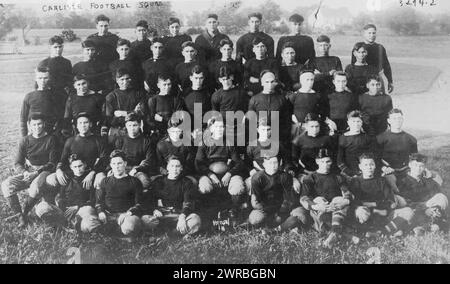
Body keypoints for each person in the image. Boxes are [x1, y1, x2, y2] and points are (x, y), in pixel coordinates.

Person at [1, 114, 59, 228]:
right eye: (34, 125)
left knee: (36, 186)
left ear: (44, 124)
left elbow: (52, 163)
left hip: (44, 171)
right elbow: (17, 162)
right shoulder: (25, 140)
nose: (37, 127)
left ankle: (25, 213)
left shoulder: (51, 139)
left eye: (39, 124)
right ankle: (20, 216)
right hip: (29, 171)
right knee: (7, 185)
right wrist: (24, 172)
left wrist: (36, 173)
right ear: (29, 126)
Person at [195, 116, 247, 221]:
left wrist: (229, 174)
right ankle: (209, 214)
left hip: (228, 173)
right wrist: (211, 175)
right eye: (217, 127)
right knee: (204, 187)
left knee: (238, 186)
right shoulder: (204, 143)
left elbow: (238, 163)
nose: (220, 129)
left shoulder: (229, 142)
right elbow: (198, 164)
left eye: (222, 127)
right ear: (211, 128)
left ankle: (234, 211)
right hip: (209, 174)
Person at [46, 113, 108, 196]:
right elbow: (63, 160)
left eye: (85, 123)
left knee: (100, 179)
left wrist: (92, 173)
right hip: (74, 172)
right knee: (51, 178)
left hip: (92, 172)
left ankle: (96, 204)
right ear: (77, 126)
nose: (83, 125)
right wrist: (58, 170)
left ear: (90, 124)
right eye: (80, 123)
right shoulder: (70, 141)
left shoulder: (98, 140)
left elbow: (104, 160)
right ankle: (58, 202)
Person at [300, 149, 352, 248]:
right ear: (317, 161)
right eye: (322, 161)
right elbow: (304, 198)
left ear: (332, 162)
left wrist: (344, 202)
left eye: (328, 161)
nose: (325, 164)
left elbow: (347, 193)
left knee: (339, 199)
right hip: (320, 209)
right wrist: (317, 206)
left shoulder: (338, 177)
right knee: (319, 199)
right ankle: (333, 232)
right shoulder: (310, 178)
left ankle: (333, 233)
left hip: (336, 210)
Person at [96, 150, 150, 237]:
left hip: (127, 216)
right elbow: (99, 202)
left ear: (125, 163)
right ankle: (114, 232)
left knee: (130, 226)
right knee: (90, 224)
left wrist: (127, 214)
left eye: (119, 163)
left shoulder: (134, 181)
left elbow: (139, 204)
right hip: (109, 215)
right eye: (114, 164)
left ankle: (124, 233)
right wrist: (101, 212)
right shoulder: (105, 181)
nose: (116, 167)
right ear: (110, 165)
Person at [144, 156, 202, 236]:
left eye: (177, 166)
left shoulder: (186, 182)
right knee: (145, 219)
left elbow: (188, 202)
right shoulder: (158, 181)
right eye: (172, 166)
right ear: (167, 167)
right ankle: (176, 232)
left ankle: (165, 232)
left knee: (195, 219)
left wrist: (182, 217)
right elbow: (150, 199)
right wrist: (154, 210)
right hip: (161, 216)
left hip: (178, 215)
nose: (175, 169)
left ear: (181, 168)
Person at [248, 155, 306, 232]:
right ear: (264, 164)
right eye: (270, 163)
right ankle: (271, 224)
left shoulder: (285, 176)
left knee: (300, 215)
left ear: (279, 163)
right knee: (255, 219)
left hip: (283, 209)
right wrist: (268, 211)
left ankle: (276, 229)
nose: (273, 165)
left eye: (275, 162)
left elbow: (288, 199)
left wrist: (280, 215)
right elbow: (255, 201)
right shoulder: (257, 177)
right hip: (265, 209)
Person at [396, 154, 448, 234]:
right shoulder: (403, 182)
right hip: (414, 209)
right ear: (410, 165)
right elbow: (405, 202)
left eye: (421, 166)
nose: (418, 168)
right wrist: (424, 209)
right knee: (410, 212)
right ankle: (431, 225)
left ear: (424, 168)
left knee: (442, 197)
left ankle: (430, 224)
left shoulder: (427, 181)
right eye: (416, 165)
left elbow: (437, 195)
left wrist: (433, 208)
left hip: (429, 208)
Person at [349, 153, 396, 236]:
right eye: (365, 165)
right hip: (365, 212)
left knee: (407, 212)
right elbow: (354, 201)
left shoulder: (382, 180)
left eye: (371, 164)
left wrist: (374, 204)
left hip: (382, 212)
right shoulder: (355, 181)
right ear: (360, 167)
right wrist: (371, 208)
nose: (369, 167)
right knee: (361, 212)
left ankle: (380, 232)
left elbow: (390, 200)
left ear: (375, 166)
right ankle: (380, 231)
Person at [55, 154, 102, 233]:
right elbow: (61, 196)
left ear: (85, 165)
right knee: (43, 208)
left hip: (83, 208)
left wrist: (78, 206)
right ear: (71, 167)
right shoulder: (67, 178)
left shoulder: (90, 179)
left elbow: (93, 200)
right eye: (75, 167)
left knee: (90, 222)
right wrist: (63, 207)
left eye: (80, 166)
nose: (78, 169)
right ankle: (69, 224)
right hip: (68, 209)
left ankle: (78, 226)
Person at [113, 113, 155, 191]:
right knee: (111, 180)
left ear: (140, 125)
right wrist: (122, 169)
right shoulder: (120, 140)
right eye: (129, 125)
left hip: (138, 169)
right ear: (126, 126)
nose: (132, 128)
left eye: (135, 125)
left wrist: (136, 169)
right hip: (122, 168)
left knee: (144, 182)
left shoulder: (146, 141)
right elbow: (116, 157)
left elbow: (149, 160)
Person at [105, 69, 146, 143]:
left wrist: (123, 113)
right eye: (122, 79)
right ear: (117, 80)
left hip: (134, 129)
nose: (125, 82)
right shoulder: (111, 97)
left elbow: (141, 112)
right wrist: (133, 112)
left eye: (127, 79)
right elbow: (110, 119)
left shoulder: (138, 94)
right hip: (118, 130)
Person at [376, 109, 418, 180]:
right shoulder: (380, 139)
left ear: (402, 120)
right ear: (389, 121)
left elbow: (414, 158)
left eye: (399, 118)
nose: (397, 121)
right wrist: (384, 168)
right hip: (387, 171)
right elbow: (375, 157)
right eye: (394, 118)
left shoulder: (411, 139)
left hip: (406, 170)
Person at [351, 24, 393, 94]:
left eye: (374, 33)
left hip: (376, 79)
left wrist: (390, 81)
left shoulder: (380, 47)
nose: (372, 35)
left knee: (378, 101)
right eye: (369, 33)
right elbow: (353, 65)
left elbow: (386, 65)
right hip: (361, 79)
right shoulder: (359, 46)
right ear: (364, 34)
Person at [20, 66, 61, 137]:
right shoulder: (29, 96)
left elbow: (60, 117)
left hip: (50, 135)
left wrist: (56, 133)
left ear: (49, 78)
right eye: (40, 78)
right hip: (34, 134)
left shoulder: (56, 96)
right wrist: (24, 136)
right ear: (36, 79)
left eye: (45, 78)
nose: (42, 81)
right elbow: (23, 119)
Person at [287, 70, 329, 137]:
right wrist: (298, 123)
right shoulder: (294, 96)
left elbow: (322, 112)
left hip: (314, 129)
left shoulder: (318, 96)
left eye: (312, 80)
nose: (310, 82)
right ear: (301, 81)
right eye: (307, 80)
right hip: (298, 128)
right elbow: (288, 112)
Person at [337, 111, 377, 179]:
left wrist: (365, 171)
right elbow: (339, 161)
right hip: (349, 172)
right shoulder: (343, 138)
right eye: (353, 121)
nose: (356, 124)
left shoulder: (366, 137)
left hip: (365, 172)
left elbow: (372, 156)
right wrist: (350, 174)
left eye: (358, 121)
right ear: (348, 123)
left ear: (361, 123)